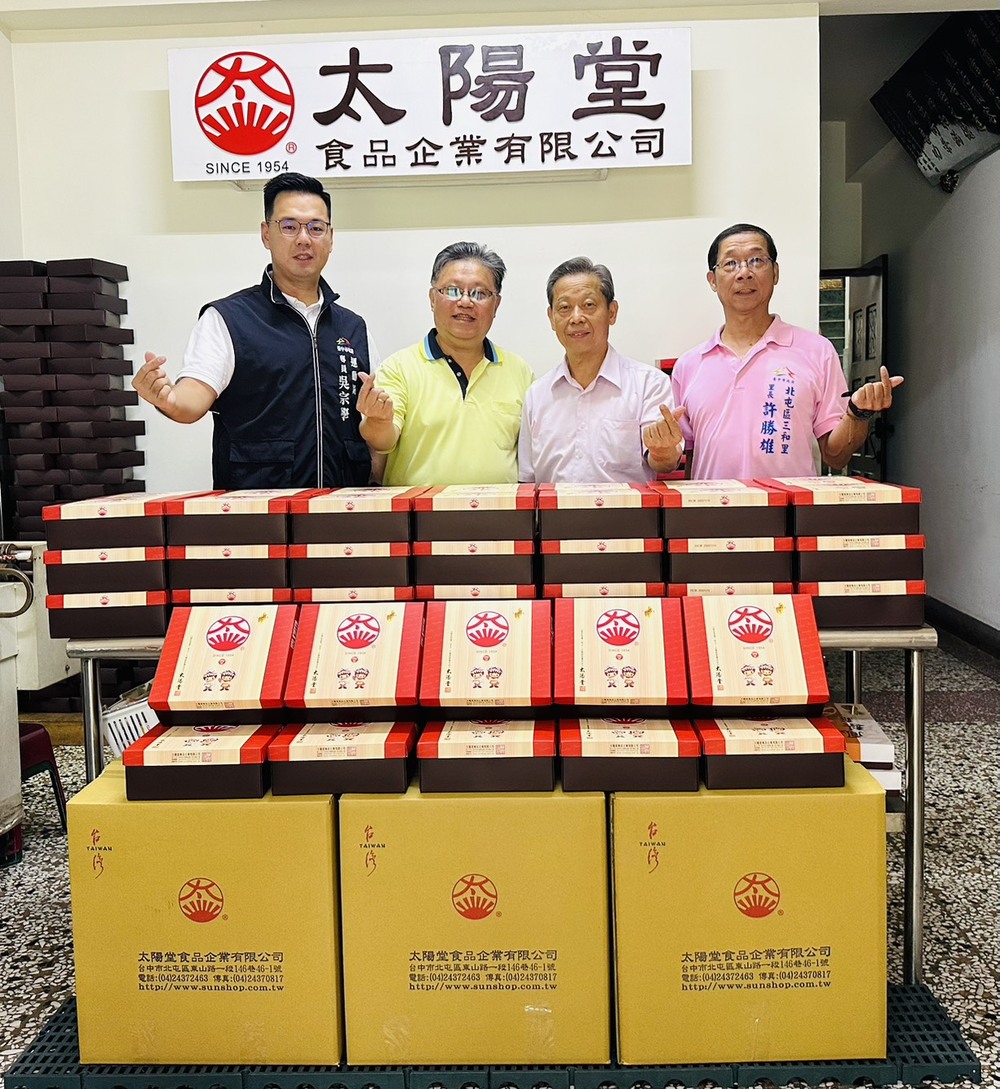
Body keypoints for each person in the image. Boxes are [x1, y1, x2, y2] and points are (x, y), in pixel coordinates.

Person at [132, 172, 378, 489]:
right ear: (266, 234)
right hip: (259, 507)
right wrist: (168, 399)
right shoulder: (229, 319)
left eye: (316, 228)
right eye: (289, 226)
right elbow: (192, 396)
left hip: (341, 505)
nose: (304, 239)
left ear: (330, 238)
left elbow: (375, 421)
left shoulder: (353, 327)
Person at [671, 222, 903, 479]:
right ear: (712, 280)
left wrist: (858, 414)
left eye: (756, 260)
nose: (744, 273)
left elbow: (836, 456)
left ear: (775, 273)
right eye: (730, 263)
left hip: (790, 505)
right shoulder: (689, 365)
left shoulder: (817, 351)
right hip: (714, 505)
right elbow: (690, 458)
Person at [358, 241, 534, 487]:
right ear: (432, 298)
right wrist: (378, 420)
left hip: (500, 511)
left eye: (480, 293)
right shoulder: (399, 367)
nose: (465, 302)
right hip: (420, 510)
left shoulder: (520, 371)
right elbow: (382, 441)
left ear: (496, 305)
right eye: (452, 290)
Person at [518, 256, 682, 483]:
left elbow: (664, 463)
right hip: (554, 508)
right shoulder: (537, 395)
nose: (576, 318)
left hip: (626, 507)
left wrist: (663, 451)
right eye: (564, 308)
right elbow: (527, 480)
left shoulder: (649, 384)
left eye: (589, 305)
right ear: (551, 318)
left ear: (612, 312)